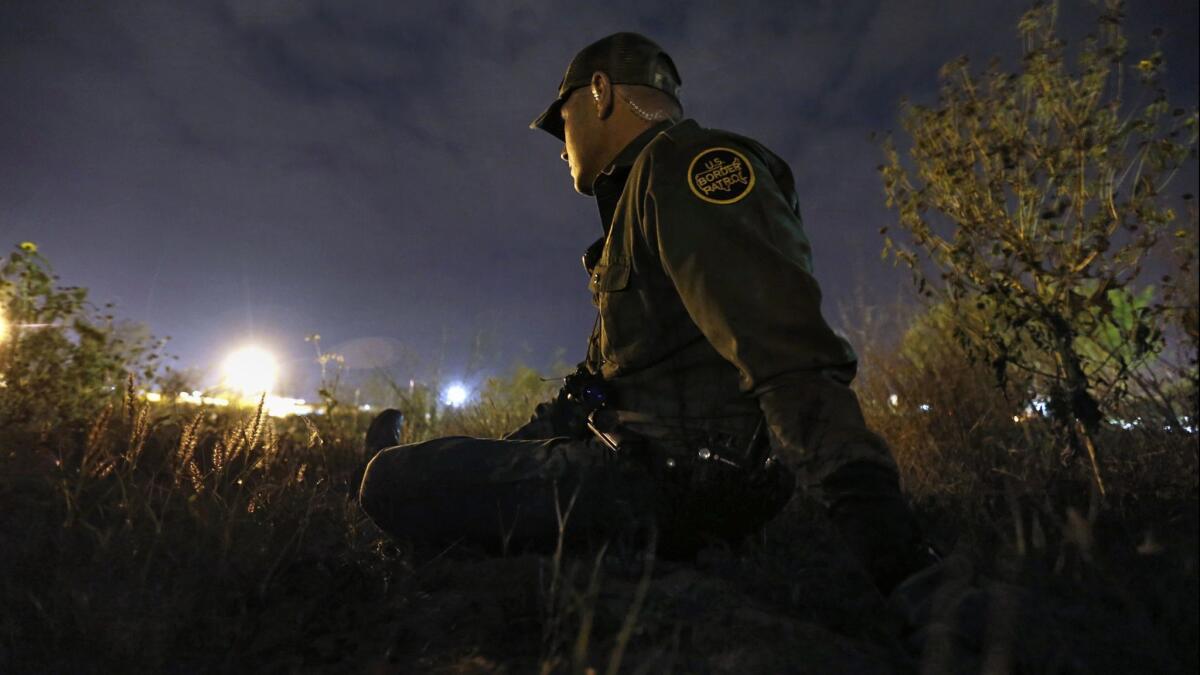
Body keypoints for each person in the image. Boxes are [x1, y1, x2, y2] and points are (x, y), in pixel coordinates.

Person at [359, 32, 935, 594]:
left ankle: (401, 477)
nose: (562, 147)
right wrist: (506, 453)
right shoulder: (639, 198)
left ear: (601, 92)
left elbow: (786, 352)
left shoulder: (691, 166)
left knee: (391, 481)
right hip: (647, 465)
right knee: (436, 467)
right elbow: (597, 391)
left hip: (674, 482)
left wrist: (885, 540)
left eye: (564, 122)